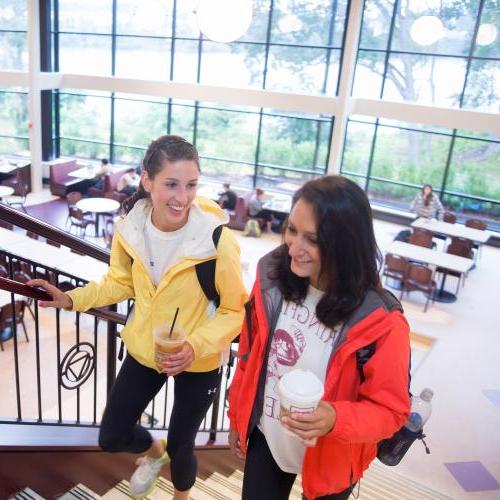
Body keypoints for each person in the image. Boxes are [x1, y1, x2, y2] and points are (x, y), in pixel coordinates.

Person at [28, 135, 247, 500]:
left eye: (191, 185)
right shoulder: (130, 228)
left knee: (183, 445)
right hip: (147, 348)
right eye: (171, 184)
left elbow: (233, 310)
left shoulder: (217, 240)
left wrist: (195, 345)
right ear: (147, 180)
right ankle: (152, 452)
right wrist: (69, 298)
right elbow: (119, 282)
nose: (183, 197)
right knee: (112, 435)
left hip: (200, 359)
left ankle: (181, 494)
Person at [227, 175, 411, 500]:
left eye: (312, 239)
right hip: (267, 437)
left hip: (334, 455)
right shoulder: (270, 280)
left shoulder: (382, 321)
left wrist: (335, 419)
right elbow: (249, 355)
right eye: (292, 230)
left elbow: (392, 411)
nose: (293, 248)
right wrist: (237, 415)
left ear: (345, 244)